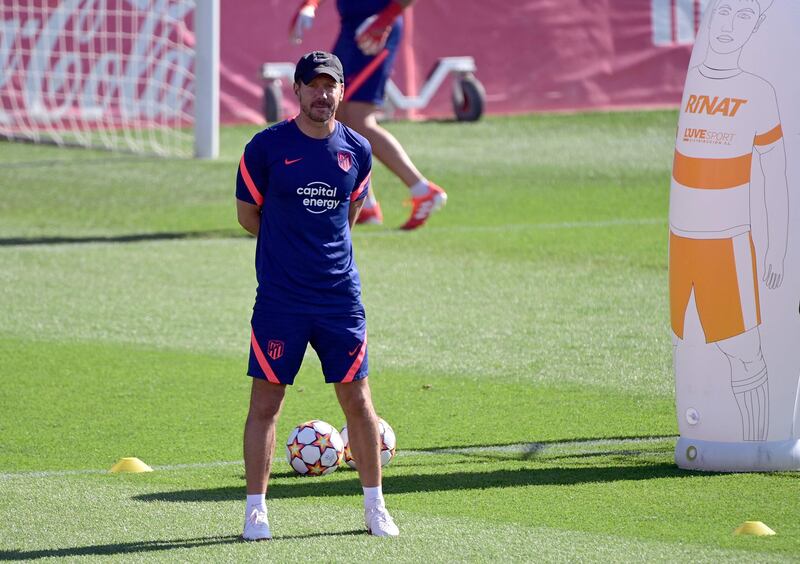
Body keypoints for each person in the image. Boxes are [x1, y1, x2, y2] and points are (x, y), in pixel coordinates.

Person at [236, 50, 399, 540]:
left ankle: (375, 508)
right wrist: (288, 253)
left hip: (339, 300)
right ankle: (255, 511)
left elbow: (348, 217)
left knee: (358, 399)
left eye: (331, 86)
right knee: (266, 401)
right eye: (313, 85)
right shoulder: (265, 148)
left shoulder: (359, 151)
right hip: (281, 301)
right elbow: (249, 218)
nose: (322, 95)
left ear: (342, 91)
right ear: (297, 90)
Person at [670, 0, 786, 440]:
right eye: (725, 12)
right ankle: (707, 434)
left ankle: (757, 446)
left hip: (727, 242)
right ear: (710, 16)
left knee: (744, 349)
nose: (730, 24)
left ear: (755, 26)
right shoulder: (692, 84)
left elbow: (775, 177)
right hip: (682, 242)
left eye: (744, 16)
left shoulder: (758, 91)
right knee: (687, 344)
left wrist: (776, 248)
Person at [290, 0, 447, 230]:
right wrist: (310, 4)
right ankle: (366, 205)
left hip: (374, 26)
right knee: (339, 117)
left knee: (359, 117)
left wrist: (387, 18)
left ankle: (422, 189)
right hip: (351, 28)